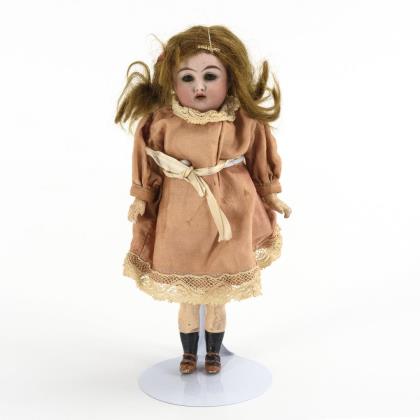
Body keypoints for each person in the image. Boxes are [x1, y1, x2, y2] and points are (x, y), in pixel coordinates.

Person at [114, 25, 292, 375]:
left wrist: (271, 194)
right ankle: (187, 354)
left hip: (231, 212)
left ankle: (212, 354)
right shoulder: (162, 120)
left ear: (230, 78)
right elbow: (147, 160)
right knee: (187, 294)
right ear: (171, 80)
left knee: (217, 295)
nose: (199, 87)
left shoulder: (242, 119)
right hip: (181, 215)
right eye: (188, 77)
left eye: (210, 76)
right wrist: (142, 196)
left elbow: (260, 156)